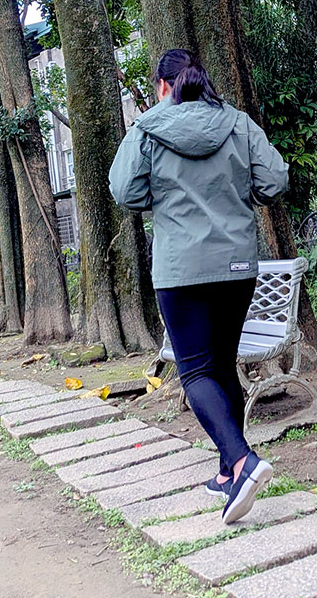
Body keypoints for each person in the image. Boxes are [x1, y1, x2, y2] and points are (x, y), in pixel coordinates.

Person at [109, 48, 289, 525]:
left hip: (181, 269)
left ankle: (242, 462)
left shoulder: (148, 128)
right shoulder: (238, 123)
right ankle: (229, 472)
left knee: (194, 372)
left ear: (163, 86)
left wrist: (163, 195)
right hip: (236, 266)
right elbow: (274, 181)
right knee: (222, 364)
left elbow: (125, 190)